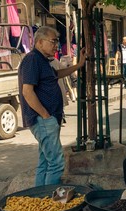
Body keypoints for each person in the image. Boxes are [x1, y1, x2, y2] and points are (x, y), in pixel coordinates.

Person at [18, 26, 86, 187]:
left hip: (48, 119)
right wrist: (45, 115)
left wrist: (79, 65)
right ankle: (49, 201)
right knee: (56, 163)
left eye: (57, 41)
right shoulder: (33, 59)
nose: (56, 45)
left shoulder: (43, 60)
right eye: (53, 41)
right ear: (40, 42)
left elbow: (57, 74)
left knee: (45, 162)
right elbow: (27, 92)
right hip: (43, 120)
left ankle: (40, 199)